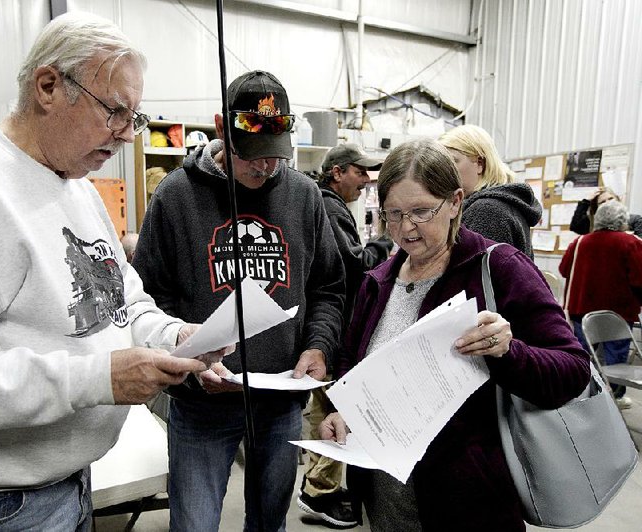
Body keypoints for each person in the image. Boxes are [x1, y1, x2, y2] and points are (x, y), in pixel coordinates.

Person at [0, 12, 222, 531]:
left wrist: (177, 337)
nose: (124, 135)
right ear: (48, 86)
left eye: (133, 118)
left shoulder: (79, 191)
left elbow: (126, 305)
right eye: (114, 111)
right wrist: (99, 377)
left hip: (66, 484)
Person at [320, 139, 590, 531]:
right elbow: (351, 361)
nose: (405, 228)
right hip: (387, 500)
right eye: (392, 214)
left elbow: (573, 369)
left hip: (469, 503)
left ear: (456, 202)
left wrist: (509, 351)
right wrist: (342, 409)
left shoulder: (499, 269)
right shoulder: (379, 281)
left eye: (421, 212)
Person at [132, 70, 345, 531]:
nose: (265, 167)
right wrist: (188, 362)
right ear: (220, 128)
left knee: (270, 523)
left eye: (275, 156)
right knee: (195, 524)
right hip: (201, 403)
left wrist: (319, 347)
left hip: (281, 403)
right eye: (251, 156)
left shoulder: (305, 197)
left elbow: (327, 287)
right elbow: (147, 296)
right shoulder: (175, 197)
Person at [296, 143, 391, 528]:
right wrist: (385, 242)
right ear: (336, 172)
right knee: (334, 409)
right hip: (333, 332)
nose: (366, 179)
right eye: (359, 171)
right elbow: (354, 266)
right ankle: (318, 493)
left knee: (329, 407)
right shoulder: (330, 208)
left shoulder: (327, 206)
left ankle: (322, 488)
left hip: (329, 331)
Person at [559, 200, 642, 409]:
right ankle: (614, 398)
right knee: (616, 359)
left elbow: (563, 270)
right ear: (623, 221)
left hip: (581, 308)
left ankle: (582, 394)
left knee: (583, 355)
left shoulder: (580, 242)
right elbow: (638, 279)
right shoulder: (631, 243)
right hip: (618, 312)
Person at [439, 124, 542, 258]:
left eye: (452, 162)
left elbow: (472, 274)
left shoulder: (487, 211)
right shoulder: (501, 204)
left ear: (480, 164)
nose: (444, 171)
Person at [568, 187, 642, 237]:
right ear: (597, 207)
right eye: (602, 202)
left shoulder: (635, 220)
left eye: (610, 199)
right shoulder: (593, 223)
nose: (608, 203)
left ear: (618, 199)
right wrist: (586, 202)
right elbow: (575, 226)